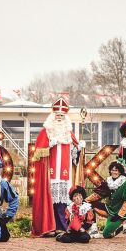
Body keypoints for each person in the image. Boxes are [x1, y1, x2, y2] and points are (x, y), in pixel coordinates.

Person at [31, 97, 85, 237]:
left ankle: (62, 226)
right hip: (50, 172)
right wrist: (49, 144)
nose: (59, 118)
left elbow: (75, 158)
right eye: (57, 115)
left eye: (62, 115)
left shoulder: (69, 133)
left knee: (63, 199)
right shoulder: (46, 132)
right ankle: (49, 226)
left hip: (65, 173)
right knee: (50, 199)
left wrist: (78, 149)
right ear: (52, 116)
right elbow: (37, 153)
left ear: (66, 117)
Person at [86, 159, 126, 239]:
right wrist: (85, 200)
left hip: (120, 214)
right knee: (89, 205)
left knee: (106, 234)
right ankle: (94, 229)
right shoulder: (108, 182)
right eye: (113, 170)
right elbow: (98, 194)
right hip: (110, 210)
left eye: (116, 170)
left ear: (120, 172)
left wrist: (119, 215)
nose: (114, 172)